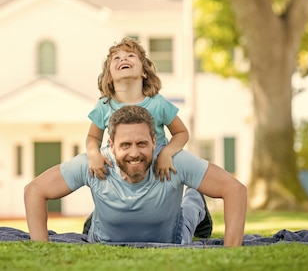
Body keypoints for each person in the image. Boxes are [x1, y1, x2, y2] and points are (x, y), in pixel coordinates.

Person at [24, 105, 247, 247]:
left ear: (154, 141)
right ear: (111, 145)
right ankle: (98, 218)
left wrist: (231, 251)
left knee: (187, 211)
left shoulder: (174, 161)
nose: (134, 153)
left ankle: (195, 197)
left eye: (141, 143)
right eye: (125, 145)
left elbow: (235, 190)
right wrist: (42, 249)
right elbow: (34, 190)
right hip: (103, 236)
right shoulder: (94, 163)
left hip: (172, 235)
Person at [86, 37, 189, 182]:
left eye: (130, 56)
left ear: (144, 72)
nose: (123, 59)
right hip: (126, 174)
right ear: (109, 77)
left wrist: (166, 154)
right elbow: (93, 137)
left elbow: (181, 133)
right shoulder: (104, 106)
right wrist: (93, 154)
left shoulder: (158, 103)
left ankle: (194, 197)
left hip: (158, 171)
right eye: (117, 58)